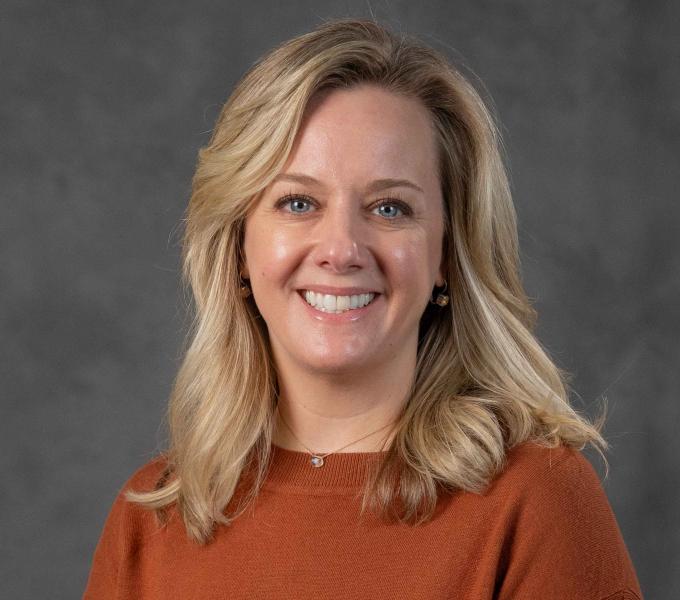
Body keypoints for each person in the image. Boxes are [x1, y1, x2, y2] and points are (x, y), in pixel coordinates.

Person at [83, 18, 643, 600]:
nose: (342, 250)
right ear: (239, 246)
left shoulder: (536, 500)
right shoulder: (153, 520)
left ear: (448, 254)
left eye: (391, 208)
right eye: (298, 202)